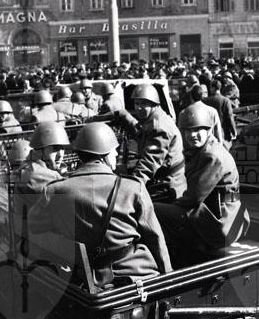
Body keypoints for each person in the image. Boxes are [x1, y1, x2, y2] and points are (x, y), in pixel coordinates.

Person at [29, 122, 172, 286]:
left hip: (85, 279)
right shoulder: (132, 187)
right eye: (114, 150)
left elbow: (35, 226)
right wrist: (168, 276)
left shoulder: (55, 191)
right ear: (104, 155)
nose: (116, 153)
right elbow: (155, 238)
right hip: (135, 274)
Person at [154, 103, 249, 267]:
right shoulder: (203, 150)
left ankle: (173, 264)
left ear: (209, 130)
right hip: (221, 216)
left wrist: (174, 204)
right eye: (188, 130)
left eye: (198, 130)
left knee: (156, 210)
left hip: (221, 224)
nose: (192, 135)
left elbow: (193, 198)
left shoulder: (212, 156)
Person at [115, 84, 186, 201]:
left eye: (143, 104)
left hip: (167, 185)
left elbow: (148, 164)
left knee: (134, 204)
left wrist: (129, 189)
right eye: (136, 103)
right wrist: (126, 117)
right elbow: (141, 134)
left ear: (154, 104)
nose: (138, 108)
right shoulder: (154, 118)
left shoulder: (160, 127)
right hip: (163, 178)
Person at [16, 121, 69, 194]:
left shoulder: (29, 164)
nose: (60, 155)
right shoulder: (38, 174)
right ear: (39, 150)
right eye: (55, 149)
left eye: (62, 148)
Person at [203, 80, 237, 149]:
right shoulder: (225, 100)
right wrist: (234, 131)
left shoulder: (205, 101)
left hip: (210, 133)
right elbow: (230, 117)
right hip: (224, 132)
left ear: (213, 88)